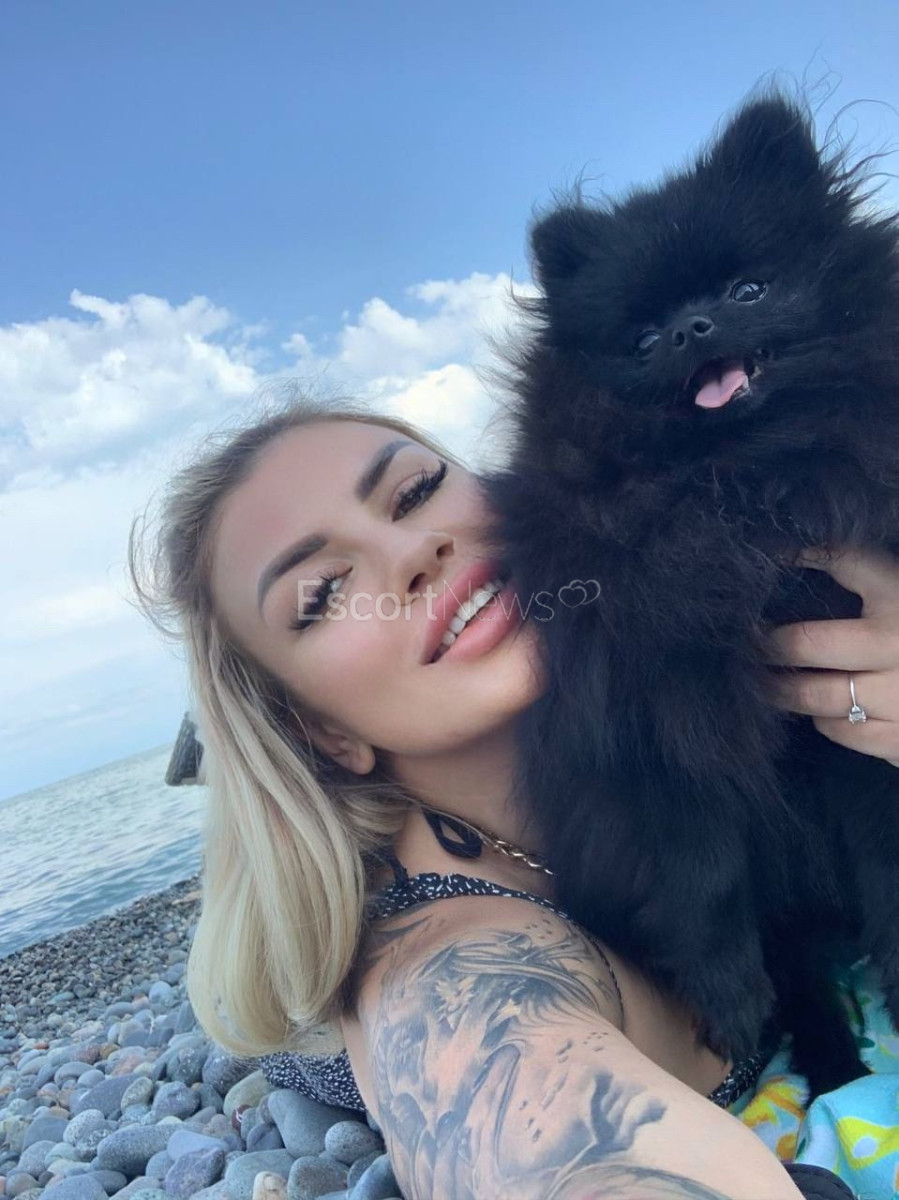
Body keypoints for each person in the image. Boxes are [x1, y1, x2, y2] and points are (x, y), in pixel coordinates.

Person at [133, 397, 899, 1200]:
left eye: (415, 491)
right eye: (323, 592)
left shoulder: (689, 689)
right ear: (322, 731)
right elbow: (507, 1098)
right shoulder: (447, 968)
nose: (413, 550)